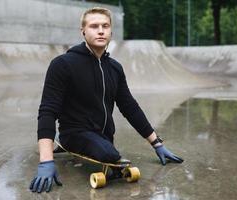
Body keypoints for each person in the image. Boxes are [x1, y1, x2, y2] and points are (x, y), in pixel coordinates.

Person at [29, 7, 183, 193]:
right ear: (83, 31)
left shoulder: (114, 68)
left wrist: (156, 143)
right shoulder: (63, 64)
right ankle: (62, 139)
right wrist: (46, 161)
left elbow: (129, 106)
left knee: (108, 149)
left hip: (104, 136)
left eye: (105, 26)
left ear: (111, 31)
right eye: (94, 26)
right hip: (74, 132)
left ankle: (103, 147)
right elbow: (47, 110)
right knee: (109, 154)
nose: (101, 30)